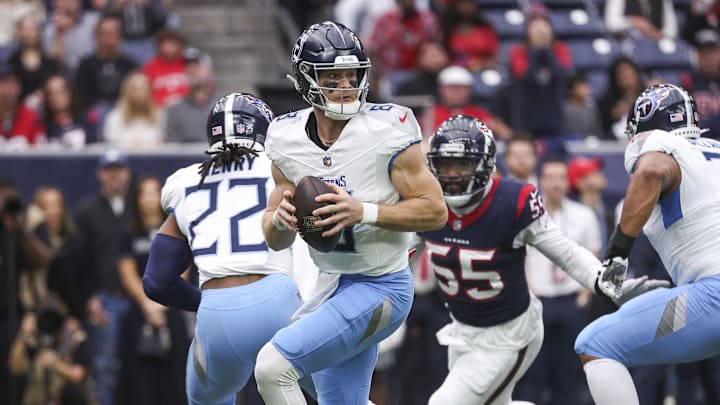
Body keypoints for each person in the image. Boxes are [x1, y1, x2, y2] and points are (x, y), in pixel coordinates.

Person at [254, 21, 448, 405]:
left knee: (272, 368)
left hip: (381, 287)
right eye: (332, 76)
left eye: (352, 74)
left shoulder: (387, 128)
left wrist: (364, 211)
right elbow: (274, 235)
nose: (345, 85)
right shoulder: (285, 137)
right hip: (331, 286)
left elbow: (435, 211)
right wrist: (280, 221)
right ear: (305, 79)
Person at [416, 114, 667, 405]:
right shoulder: (427, 204)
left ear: (485, 164)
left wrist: (604, 281)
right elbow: (396, 260)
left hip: (510, 333)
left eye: (463, 164)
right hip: (463, 329)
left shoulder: (512, 201)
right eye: (446, 165)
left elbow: (565, 252)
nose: (453, 175)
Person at [142, 92, 305, 405]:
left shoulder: (185, 181)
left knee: (206, 399)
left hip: (217, 313)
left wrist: (205, 303)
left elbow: (156, 280)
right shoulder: (287, 168)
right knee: (335, 392)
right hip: (282, 302)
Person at [574, 83, 720, 404]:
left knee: (595, 344)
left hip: (713, 297)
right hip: (703, 292)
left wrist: (617, 252)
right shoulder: (713, 149)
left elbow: (652, 170)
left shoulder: (660, 144)